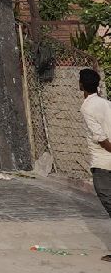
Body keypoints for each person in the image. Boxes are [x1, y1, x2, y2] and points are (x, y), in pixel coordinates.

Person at [81, 67, 111, 258]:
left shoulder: (87, 106)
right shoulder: (106, 103)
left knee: (108, 202)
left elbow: (100, 136)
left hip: (103, 162)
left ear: (81, 86)